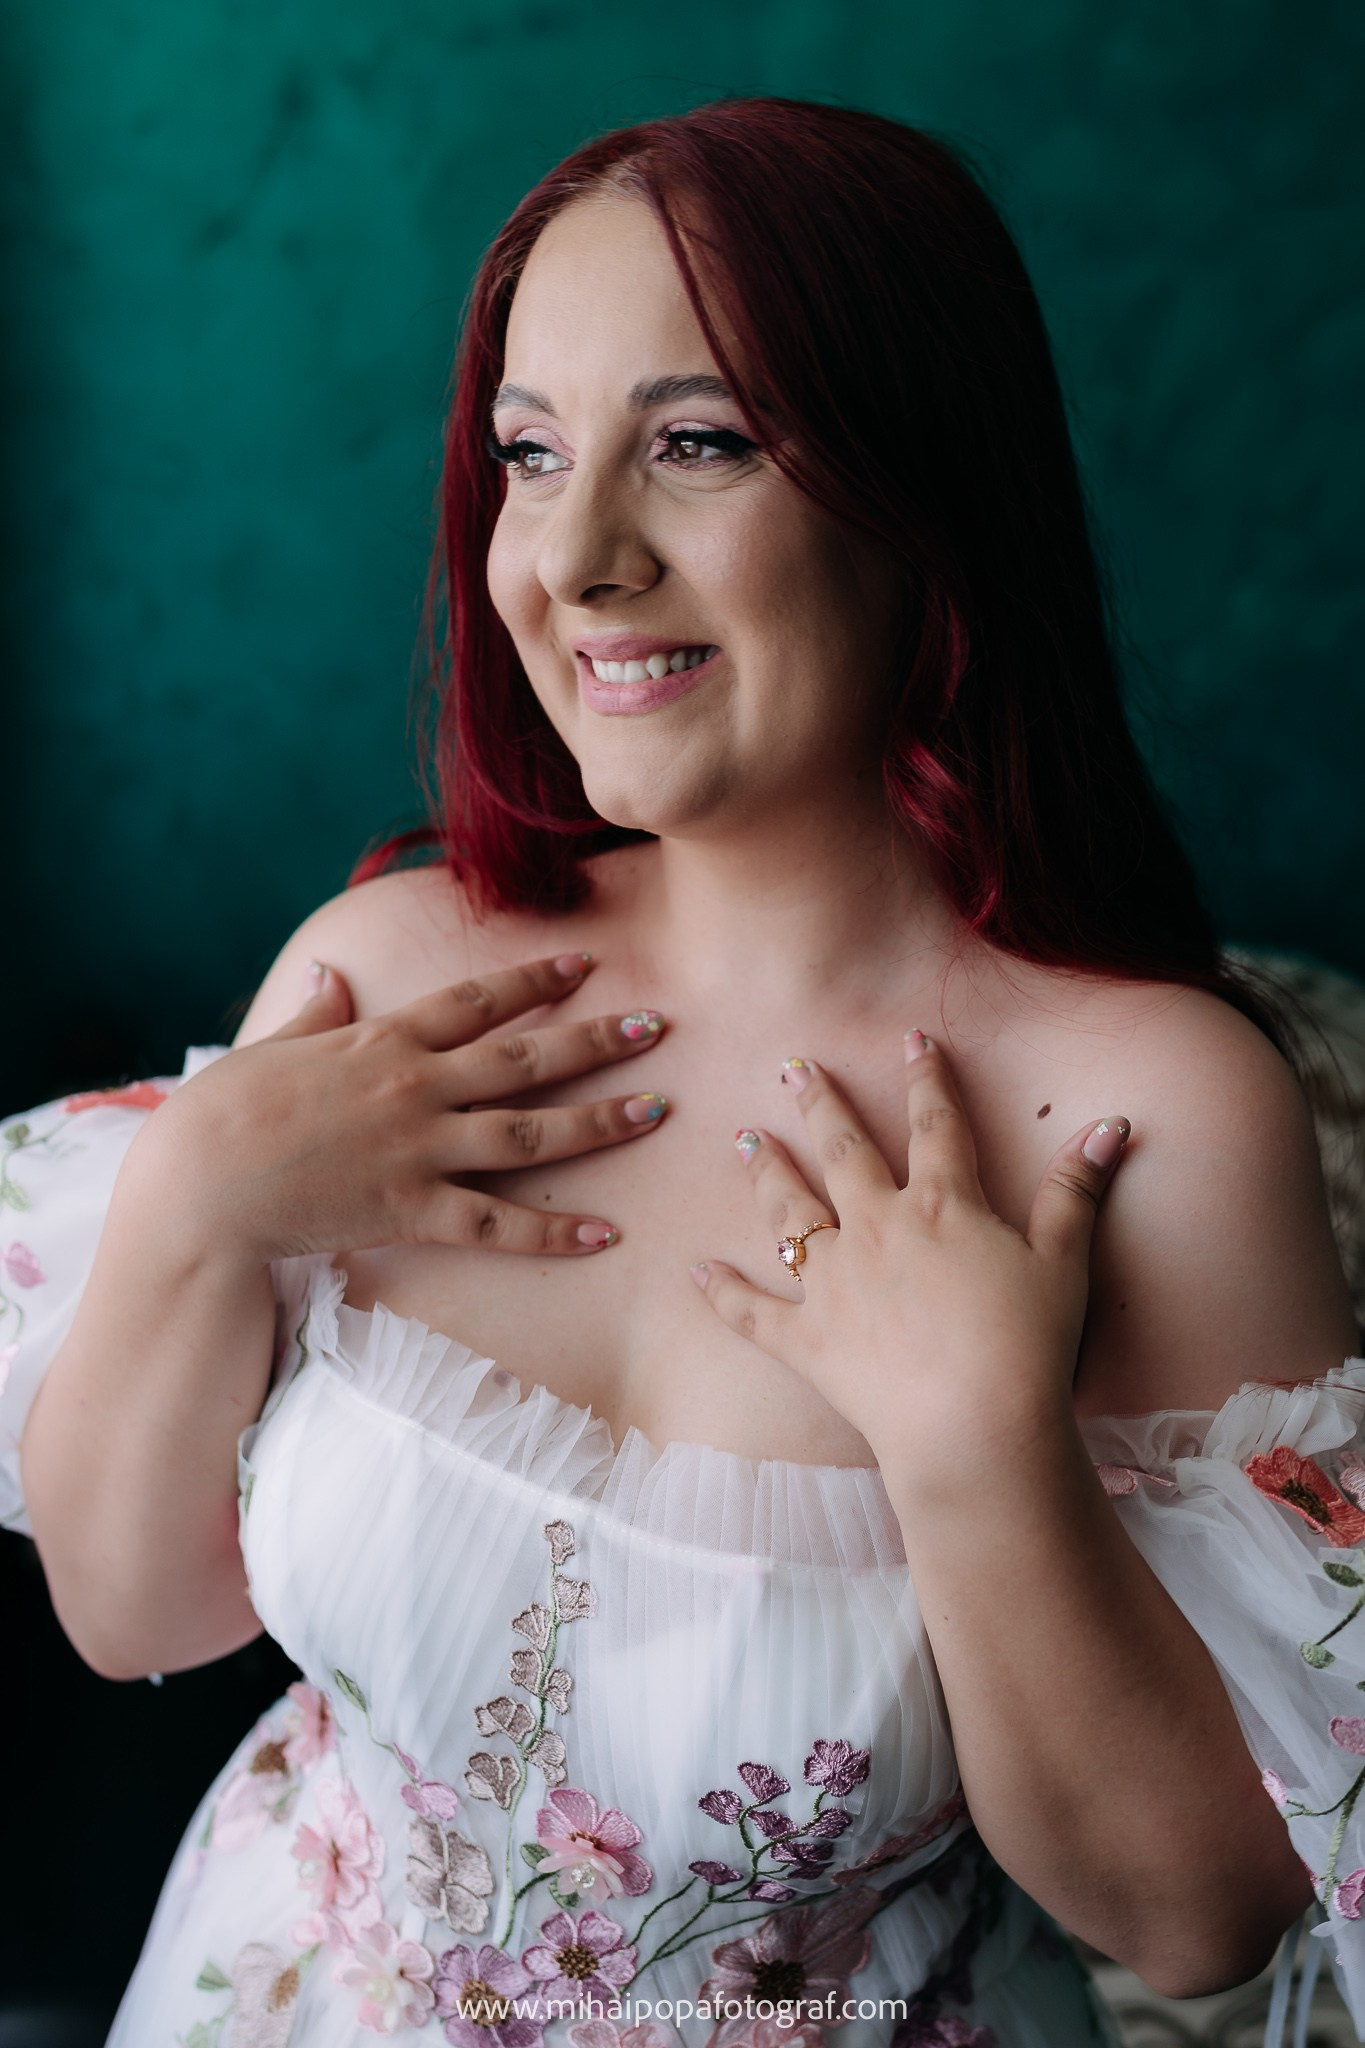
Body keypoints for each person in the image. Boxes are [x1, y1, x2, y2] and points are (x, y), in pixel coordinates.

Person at [3, 96, 1363, 2048]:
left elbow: (1191, 1918)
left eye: (697, 443)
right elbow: (137, 1616)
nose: (570, 559)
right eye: (528, 455)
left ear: (922, 493)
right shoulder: (383, 974)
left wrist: (975, 1446)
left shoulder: (1142, 1117)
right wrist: (190, 1209)